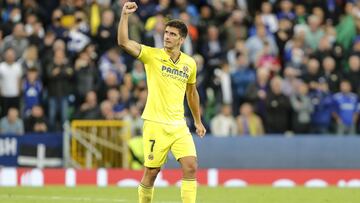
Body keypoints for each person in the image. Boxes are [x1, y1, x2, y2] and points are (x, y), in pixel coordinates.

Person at [117, 2, 206, 203]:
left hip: (178, 125)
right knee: (152, 171)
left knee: (191, 165)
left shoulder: (189, 63)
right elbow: (123, 42)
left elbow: (192, 93)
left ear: (182, 39)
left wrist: (198, 121)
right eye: (166, 32)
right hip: (155, 123)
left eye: (173, 34)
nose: (167, 36)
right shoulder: (152, 55)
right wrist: (124, 15)